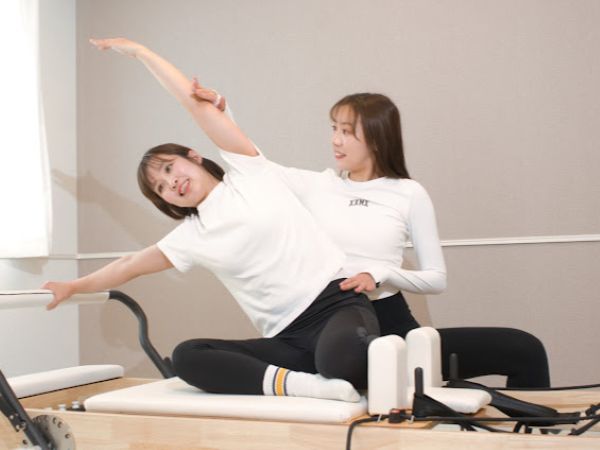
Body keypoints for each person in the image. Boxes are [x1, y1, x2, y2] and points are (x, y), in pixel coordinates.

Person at [43, 38, 380, 402]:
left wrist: (142, 53)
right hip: (286, 339)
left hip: (335, 306)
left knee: (343, 361)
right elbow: (129, 265)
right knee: (188, 357)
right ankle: (304, 385)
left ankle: (326, 375)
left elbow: (193, 104)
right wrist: (72, 287)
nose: (171, 182)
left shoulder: (249, 172)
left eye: (169, 168)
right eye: (161, 188)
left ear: (194, 156)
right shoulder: (191, 236)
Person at [192, 89, 550, 388]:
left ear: (377, 137)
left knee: (523, 348)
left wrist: (381, 274)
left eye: (347, 131)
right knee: (196, 355)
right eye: (334, 129)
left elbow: (436, 279)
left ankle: (537, 437)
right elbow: (252, 162)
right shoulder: (318, 186)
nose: (335, 140)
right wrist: (223, 113)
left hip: (389, 328)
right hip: (321, 326)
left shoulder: (408, 193)